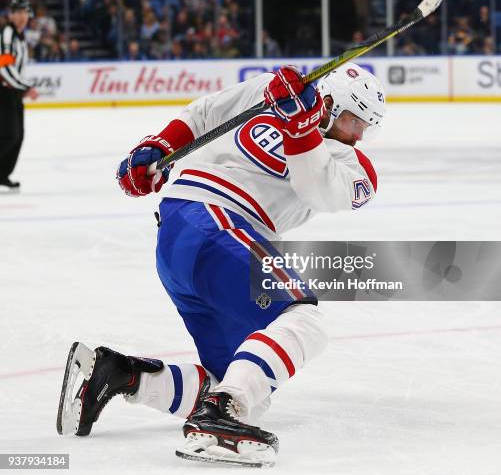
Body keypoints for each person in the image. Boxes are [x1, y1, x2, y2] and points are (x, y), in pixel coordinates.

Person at [57, 63, 385, 466]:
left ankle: (121, 376)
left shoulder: (354, 168)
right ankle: (217, 416)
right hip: (214, 222)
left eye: (368, 126)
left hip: (186, 243)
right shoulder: (270, 90)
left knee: (242, 387)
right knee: (304, 322)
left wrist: (299, 127)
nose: (360, 135)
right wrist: (158, 148)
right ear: (332, 104)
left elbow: (318, 189)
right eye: (356, 121)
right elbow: (206, 113)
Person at [0, 0, 39, 191]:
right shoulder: (7, 33)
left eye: (24, 12)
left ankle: (2, 174)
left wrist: (21, 88)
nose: (21, 16)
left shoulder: (20, 36)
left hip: (13, 92)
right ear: (10, 14)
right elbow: (3, 66)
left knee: (18, 136)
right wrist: (24, 86)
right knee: (9, 135)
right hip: (4, 93)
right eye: (17, 12)